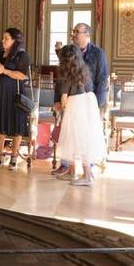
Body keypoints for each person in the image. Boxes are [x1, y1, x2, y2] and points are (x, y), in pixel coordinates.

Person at [52, 23, 109, 176]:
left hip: (89, 100)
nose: (74, 34)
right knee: (68, 133)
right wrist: (57, 99)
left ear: (87, 35)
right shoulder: (69, 51)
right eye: (73, 31)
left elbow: (102, 79)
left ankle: (88, 169)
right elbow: (62, 79)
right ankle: (67, 167)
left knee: (86, 135)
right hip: (71, 101)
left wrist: (97, 103)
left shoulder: (98, 53)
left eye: (78, 32)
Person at [0, 28, 30, 169]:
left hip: (15, 94)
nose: (3, 40)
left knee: (16, 124)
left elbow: (22, 75)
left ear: (14, 40)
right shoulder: (0, 55)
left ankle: (14, 157)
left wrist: (4, 70)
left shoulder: (22, 55)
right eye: (3, 37)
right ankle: (0, 155)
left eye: (6, 38)